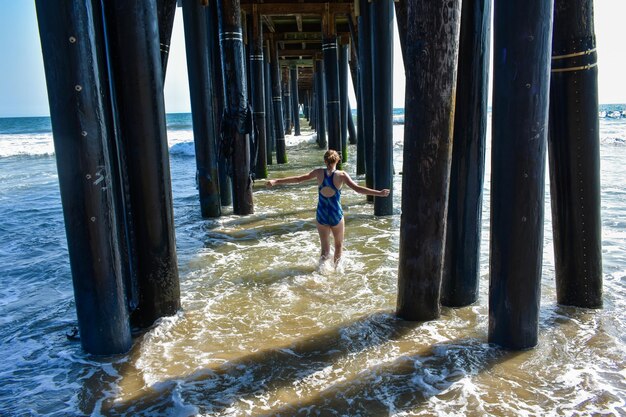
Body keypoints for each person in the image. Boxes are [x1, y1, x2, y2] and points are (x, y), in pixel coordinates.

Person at [266, 149, 390, 266]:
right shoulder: (341, 175)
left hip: (322, 214)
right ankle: (337, 274)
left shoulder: (318, 173)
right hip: (336, 213)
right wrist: (379, 193)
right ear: (337, 161)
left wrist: (276, 181)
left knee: (325, 250)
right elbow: (358, 189)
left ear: (325, 161)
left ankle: (321, 273)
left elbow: (298, 179)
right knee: (338, 246)